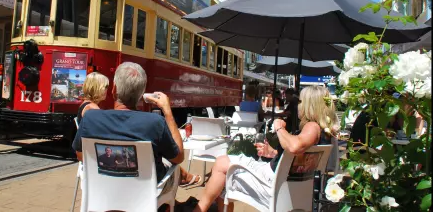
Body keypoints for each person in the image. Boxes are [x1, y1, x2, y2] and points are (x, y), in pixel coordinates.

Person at [188, 86, 339, 212]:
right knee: (224, 167)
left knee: (222, 164)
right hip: (286, 181)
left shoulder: (312, 126)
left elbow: (295, 146)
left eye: (300, 101)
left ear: (309, 105)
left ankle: (200, 209)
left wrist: (279, 128)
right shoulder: (326, 132)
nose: (298, 105)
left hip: (272, 182)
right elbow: (300, 159)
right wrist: (273, 153)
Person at [72, 62, 184, 185]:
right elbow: (178, 157)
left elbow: (80, 154)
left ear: (114, 89)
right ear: (142, 95)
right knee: (174, 167)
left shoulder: (90, 118)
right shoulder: (155, 122)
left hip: (104, 190)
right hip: (144, 193)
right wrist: (167, 111)